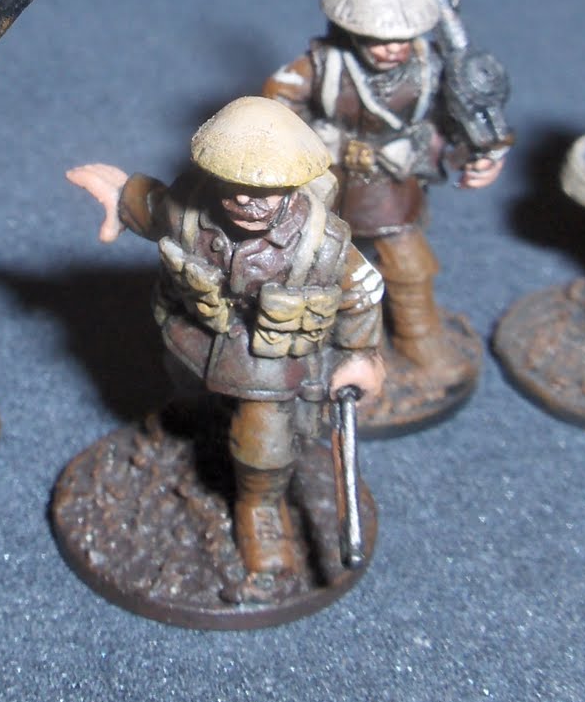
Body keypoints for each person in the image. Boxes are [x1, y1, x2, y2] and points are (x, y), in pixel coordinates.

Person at [68, 96, 384, 582]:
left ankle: (260, 508)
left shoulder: (324, 244)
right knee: (185, 389)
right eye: (233, 188)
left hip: (270, 361)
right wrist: (122, 196)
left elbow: (362, 291)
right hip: (195, 333)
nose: (245, 202)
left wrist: (361, 354)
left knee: (264, 444)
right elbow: (152, 209)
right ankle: (193, 418)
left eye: (263, 193)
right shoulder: (190, 209)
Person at [262, 0, 505, 381]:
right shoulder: (321, 67)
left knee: (409, 267)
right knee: (317, 270)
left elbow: (458, 119)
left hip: (393, 187)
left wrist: (481, 153)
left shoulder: (432, 69)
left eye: (402, 39)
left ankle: (418, 339)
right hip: (330, 184)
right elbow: (276, 108)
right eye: (378, 40)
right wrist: (306, 150)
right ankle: (321, 349)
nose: (392, 49)